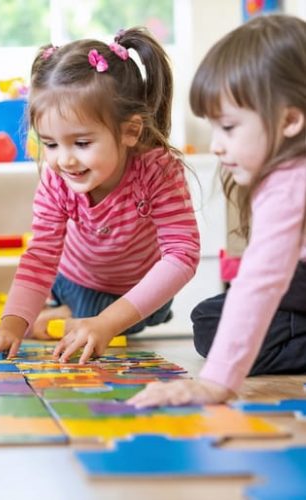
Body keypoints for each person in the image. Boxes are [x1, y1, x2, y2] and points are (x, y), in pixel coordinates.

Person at [0, 28, 200, 362]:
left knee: (116, 318)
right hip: (71, 279)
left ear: (130, 131)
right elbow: (41, 254)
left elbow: (182, 254)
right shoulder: (56, 178)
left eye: (82, 143)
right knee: (74, 311)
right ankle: (62, 311)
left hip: (133, 290)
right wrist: (10, 328)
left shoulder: (158, 170)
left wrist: (106, 323)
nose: (64, 159)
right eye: (50, 144)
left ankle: (65, 315)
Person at [130, 15, 306, 407]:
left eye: (228, 127)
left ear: (290, 120)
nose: (217, 145)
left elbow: (260, 282)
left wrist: (215, 385)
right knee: (212, 317)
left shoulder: (289, 183)